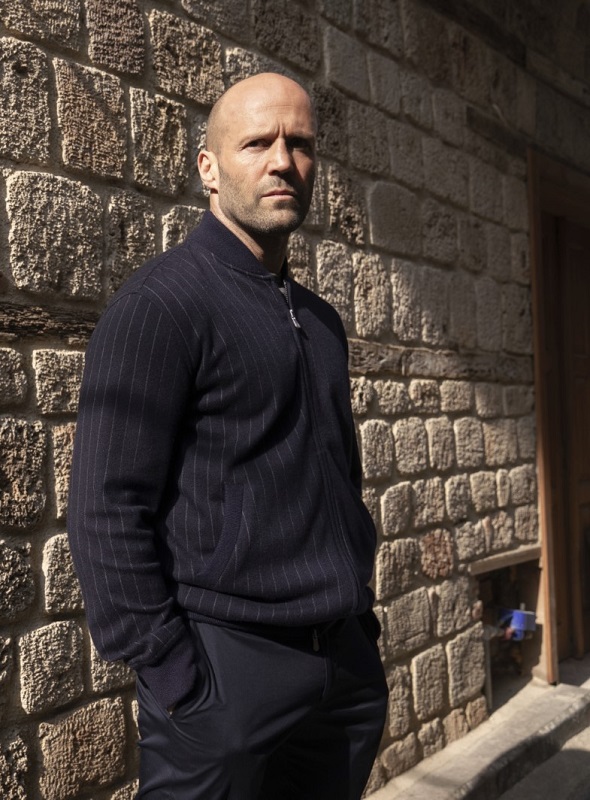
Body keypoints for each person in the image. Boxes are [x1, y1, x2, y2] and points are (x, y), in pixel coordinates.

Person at [68, 72, 388, 800]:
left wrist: (360, 630)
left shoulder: (322, 321)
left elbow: (339, 477)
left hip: (340, 672)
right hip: (224, 675)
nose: (283, 161)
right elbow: (105, 509)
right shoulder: (161, 305)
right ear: (208, 169)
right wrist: (175, 677)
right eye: (257, 143)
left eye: (300, 144)